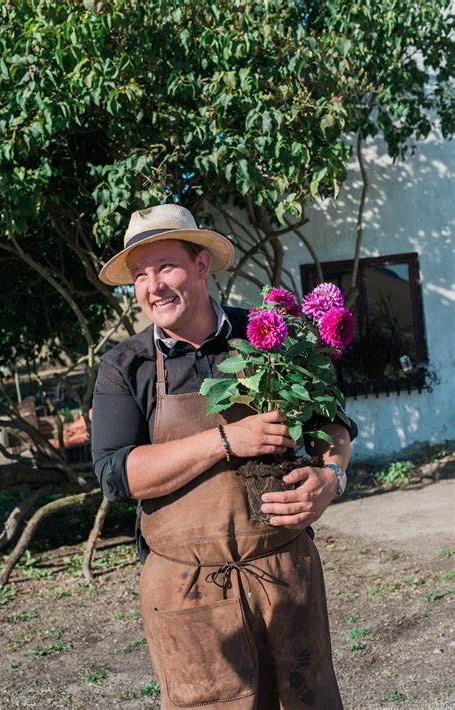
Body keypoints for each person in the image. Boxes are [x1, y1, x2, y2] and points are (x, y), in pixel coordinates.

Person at [92, 204, 357, 709]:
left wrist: (331, 475)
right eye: (140, 276)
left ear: (201, 265)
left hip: (284, 577)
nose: (153, 286)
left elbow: (334, 420)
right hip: (188, 593)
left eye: (165, 266)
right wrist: (225, 441)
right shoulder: (125, 367)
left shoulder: (267, 336)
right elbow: (115, 473)